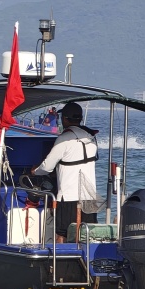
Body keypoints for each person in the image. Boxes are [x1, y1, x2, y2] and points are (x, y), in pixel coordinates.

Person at [30, 102, 99, 243]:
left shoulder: (63, 139)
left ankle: (61, 257)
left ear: (65, 119)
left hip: (68, 198)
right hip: (89, 198)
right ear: (80, 118)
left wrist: (35, 171)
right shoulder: (91, 138)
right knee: (87, 236)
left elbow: (47, 167)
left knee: (62, 234)